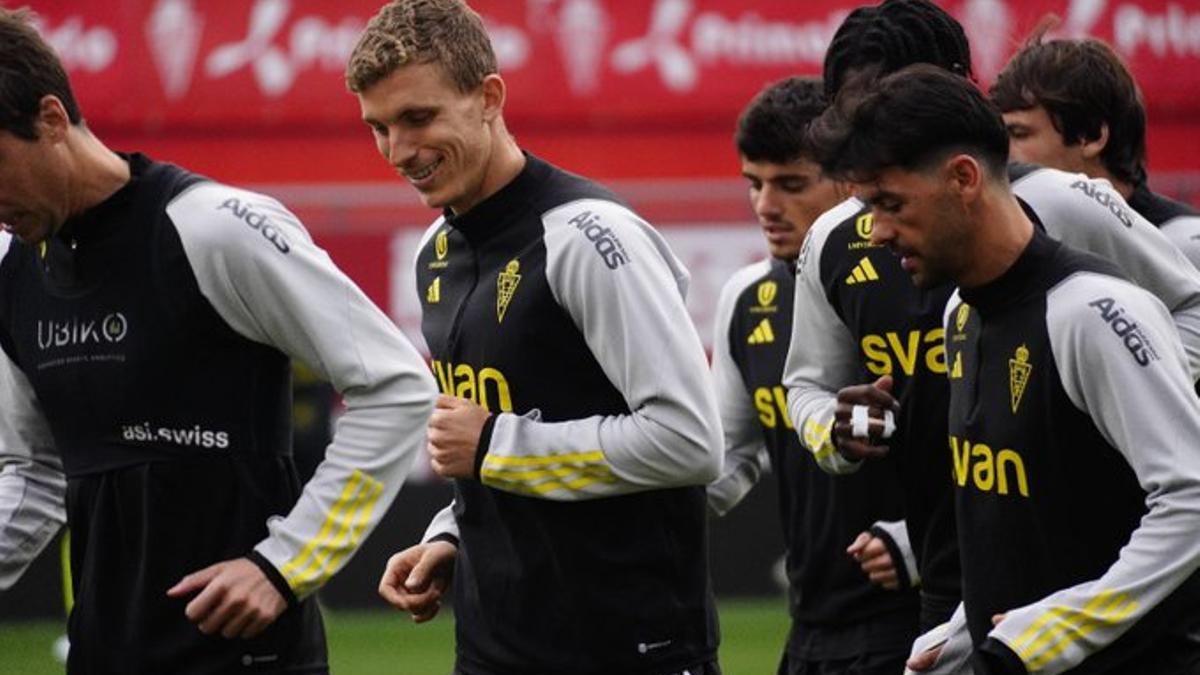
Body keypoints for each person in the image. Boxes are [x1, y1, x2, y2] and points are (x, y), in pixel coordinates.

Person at [0, 8, 437, 674]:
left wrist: (285, 563)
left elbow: (397, 385)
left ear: (52, 119)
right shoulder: (12, 273)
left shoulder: (211, 227)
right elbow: (31, 473)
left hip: (248, 659)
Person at [782, 0, 1200, 635]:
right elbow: (806, 388)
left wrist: (1112, 401)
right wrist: (833, 431)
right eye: (853, 112)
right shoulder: (840, 244)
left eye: (895, 103)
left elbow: (1184, 309)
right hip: (949, 582)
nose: (873, 130)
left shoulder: (1066, 211)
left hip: (1086, 580)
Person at [348, 2, 723, 674]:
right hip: (492, 648)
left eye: (418, 117)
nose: (399, 151)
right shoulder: (434, 253)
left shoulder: (587, 238)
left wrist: (495, 444)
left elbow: (690, 441)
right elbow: (505, 435)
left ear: (489, 97)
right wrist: (453, 532)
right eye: (379, 127)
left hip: (628, 650)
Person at [707, 75, 919, 675]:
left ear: (850, 182)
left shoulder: (906, 282)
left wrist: (923, 543)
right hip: (808, 626)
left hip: (916, 616)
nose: (765, 206)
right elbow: (725, 462)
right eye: (755, 183)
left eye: (791, 184)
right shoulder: (746, 298)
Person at [990, 34, 1200, 270]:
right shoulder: (1009, 252)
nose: (1000, 153)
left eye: (1019, 134)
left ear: (1091, 137)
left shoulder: (1188, 247)